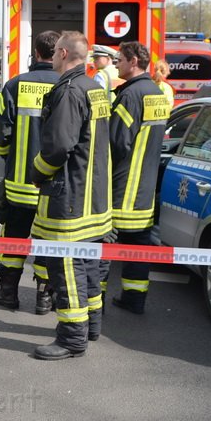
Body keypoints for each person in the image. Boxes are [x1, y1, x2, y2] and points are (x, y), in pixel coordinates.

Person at [29, 31, 112, 360]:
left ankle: (72, 338)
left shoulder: (68, 90)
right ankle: (91, 325)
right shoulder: (95, 88)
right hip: (94, 198)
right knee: (89, 265)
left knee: (67, 268)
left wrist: (37, 172)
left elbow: (59, 146)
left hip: (70, 198)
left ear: (62, 52)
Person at [0, 30, 61, 314]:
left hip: (18, 184)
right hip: (54, 187)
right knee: (47, 239)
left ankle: (8, 292)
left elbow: (0, 134)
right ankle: (44, 297)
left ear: (36, 52)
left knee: (14, 236)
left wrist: (10, 161)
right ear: (57, 52)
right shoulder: (70, 85)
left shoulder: (14, 85)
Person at [100, 41, 172, 315]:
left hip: (122, 187)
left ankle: (96, 307)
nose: (116, 63)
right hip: (145, 188)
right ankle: (134, 299)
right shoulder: (155, 92)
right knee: (138, 248)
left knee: (105, 249)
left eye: (119, 59)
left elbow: (117, 143)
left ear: (133, 62)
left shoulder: (130, 96)